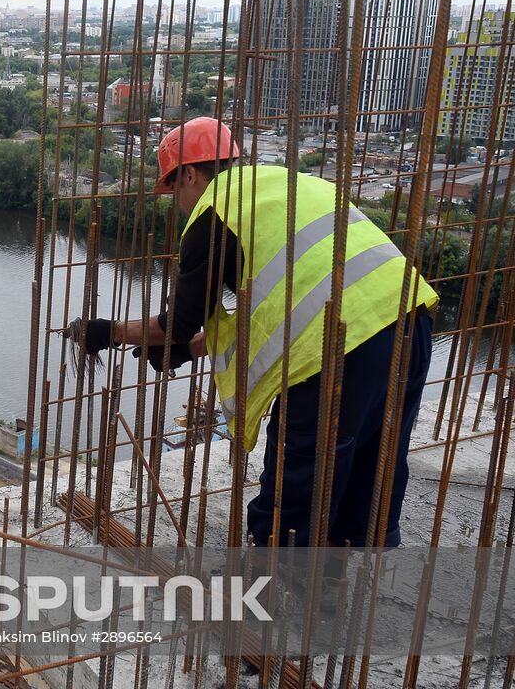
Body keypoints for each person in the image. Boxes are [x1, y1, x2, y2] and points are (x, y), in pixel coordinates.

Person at [68, 116, 436, 549]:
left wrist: (108, 332)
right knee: (376, 460)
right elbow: (274, 310)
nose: (178, 203)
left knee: (298, 478)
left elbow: (175, 325)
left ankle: (276, 589)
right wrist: (190, 347)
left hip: (340, 351)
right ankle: (352, 575)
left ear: (189, 173)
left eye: (174, 188)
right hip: (411, 323)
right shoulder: (284, 186)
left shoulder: (213, 215)